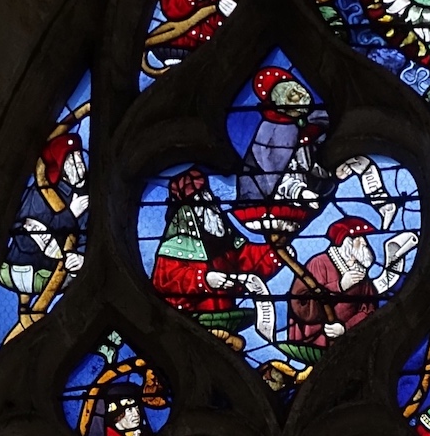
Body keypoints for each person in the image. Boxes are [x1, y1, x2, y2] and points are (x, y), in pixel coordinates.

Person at [151, 168, 287, 349]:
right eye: (199, 201)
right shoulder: (174, 246)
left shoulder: (223, 236)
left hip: (226, 314)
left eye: (207, 196)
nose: (208, 205)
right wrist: (204, 279)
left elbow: (247, 259)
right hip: (189, 324)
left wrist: (275, 253)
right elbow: (166, 282)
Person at [0, 133, 88, 325]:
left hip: (57, 276)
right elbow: (23, 234)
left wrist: (80, 258)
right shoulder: (40, 195)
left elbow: (86, 237)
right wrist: (69, 215)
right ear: (61, 170)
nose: (78, 166)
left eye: (79, 158)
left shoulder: (89, 198)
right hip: (24, 268)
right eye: (70, 162)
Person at [233, 67, 332, 238]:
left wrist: (328, 171)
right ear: (280, 101)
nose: (301, 94)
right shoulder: (271, 132)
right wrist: (300, 193)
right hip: (266, 200)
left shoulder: (312, 122)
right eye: (293, 93)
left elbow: (305, 164)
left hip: (300, 196)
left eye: (299, 88)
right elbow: (272, 174)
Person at [286, 217, 380, 347]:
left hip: (351, 342)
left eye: (363, 237)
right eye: (358, 238)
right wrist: (339, 286)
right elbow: (301, 303)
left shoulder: (360, 273)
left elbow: (369, 309)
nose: (364, 242)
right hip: (317, 340)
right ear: (345, 242)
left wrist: (345, 327)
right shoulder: (319, 264)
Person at [87, 382, 153, 436]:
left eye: (137, 409)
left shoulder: (145, 434)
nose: (136, 414)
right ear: (117, 413)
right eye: (129, 410)